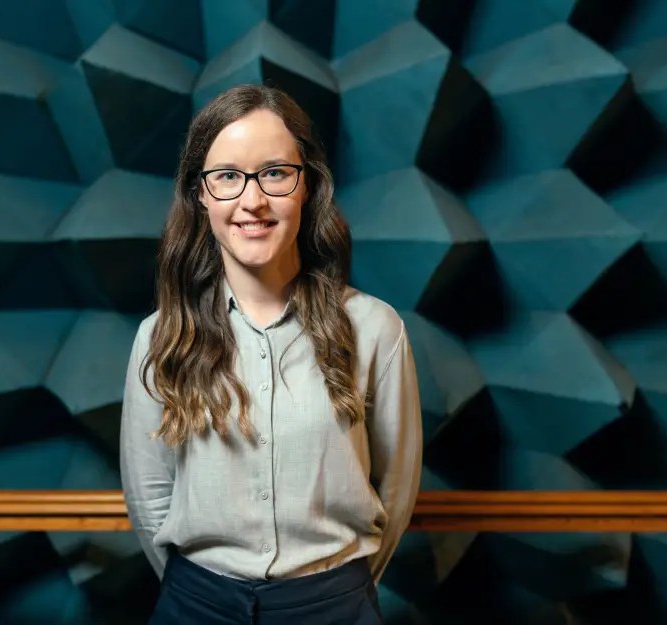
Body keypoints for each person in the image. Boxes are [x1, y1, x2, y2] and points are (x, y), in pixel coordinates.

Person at [120, 83, 422, 625]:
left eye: (275, 173)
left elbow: (396, 492)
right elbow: (149, 499)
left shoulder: (376, 330)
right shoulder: (160, 336)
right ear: (200, 193)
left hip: (335, 606)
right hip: (195, 605)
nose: (252, 201)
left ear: (308, 186)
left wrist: (332, 597)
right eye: (227, 176)